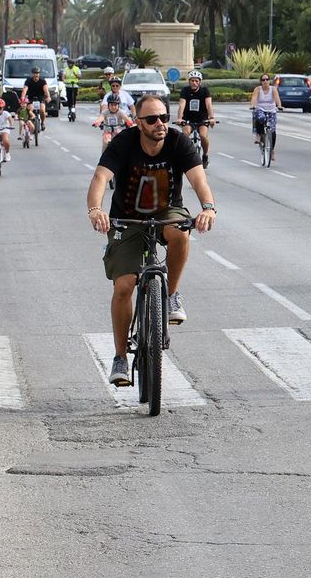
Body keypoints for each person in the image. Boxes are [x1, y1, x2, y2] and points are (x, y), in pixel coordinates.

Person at [86, 95, 217, 386]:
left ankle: (171, 296)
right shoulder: (124, 143)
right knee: (124, 285)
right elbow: (99, 177)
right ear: (138, 121)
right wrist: (96, 210)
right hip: (126, 218)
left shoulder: (178, 142)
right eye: (152, 119)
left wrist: (208, 207)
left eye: (164, 118)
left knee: (181, 232)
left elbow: (199, 180)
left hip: (166, 211)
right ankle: (120, 356)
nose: (160, 124)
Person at [178, 70, 215, 167]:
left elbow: (209, 105)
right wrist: (179, 118)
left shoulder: (204, 91)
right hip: (188, 118)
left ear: (200, 82)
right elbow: (182, 105)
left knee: (203, 135)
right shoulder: (185, 91)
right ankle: (185, 154)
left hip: (202, 118)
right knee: (185, 135)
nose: (194, 83)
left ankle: (205, 155)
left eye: (196, 81)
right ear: (189, 81)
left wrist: (211, 118)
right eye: (192, 81)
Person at [250, 74, 280, 159]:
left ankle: (272, 150)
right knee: (260, 118)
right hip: (261, 109)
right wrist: (253, 105)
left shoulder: (273, 89)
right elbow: (254, 98)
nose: (265, 81)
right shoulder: (258, 89)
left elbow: (277, 99)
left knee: (273, 130)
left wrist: (280, 105)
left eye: (267, 79)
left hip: (271, 110)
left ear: (269, 81)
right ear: (261, 81)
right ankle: (258, 134)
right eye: (263, 80)